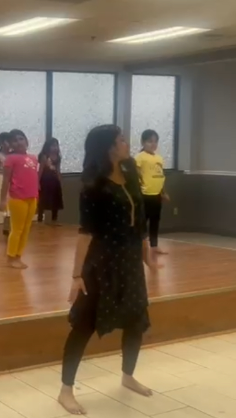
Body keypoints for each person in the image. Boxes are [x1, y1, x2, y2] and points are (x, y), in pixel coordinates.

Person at [57, 125, 160, 415]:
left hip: (130, 261)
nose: (127, 143)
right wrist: (76, 275)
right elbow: (85, 233)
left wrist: (147, 254)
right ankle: (66, 390)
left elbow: (140, 221)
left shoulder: (130, 172)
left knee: (136, 320)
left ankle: (128, 376)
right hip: (102, 262)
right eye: (121, 140)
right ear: (109, 147)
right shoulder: (94, 186)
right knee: (84, 325)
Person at [0, 129, 39, 269]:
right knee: (17, 229)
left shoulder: (33, 158)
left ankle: (18, 256)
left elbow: (33, 177)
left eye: (21, 139)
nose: (19, 142)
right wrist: (2, 200)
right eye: (14, 140)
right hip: (18, 198)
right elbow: (5, 180)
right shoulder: (10, 159)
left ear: (26, 141)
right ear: (10, 145)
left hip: (32, 197)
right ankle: (11, 257)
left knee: (26, 229)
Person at [135, 129, 169, 256]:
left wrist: (163, 192)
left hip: (156, 195)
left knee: (155, 220)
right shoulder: (140, 157)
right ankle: (138, 245)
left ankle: (154, 245)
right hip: (144, 195)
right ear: (143, 142)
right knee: (142, 221)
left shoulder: (159, 158)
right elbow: (136, 175)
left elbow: (160, 176)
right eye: (150, 141)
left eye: (155, 142)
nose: (153, 144)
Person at [37, 138, 64, 226]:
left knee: (56, 200)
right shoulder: (44, 156)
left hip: (54, 181)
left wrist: (60, 180)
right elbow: (40, 170)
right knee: (43, 199)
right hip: (45, 181)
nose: (55, 148)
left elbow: (58, 170)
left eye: (56, 145)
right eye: (53, 145)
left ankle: (54, 219)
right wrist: (37, 182)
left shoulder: (58, 157)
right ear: (48, 147)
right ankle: (40, 219)